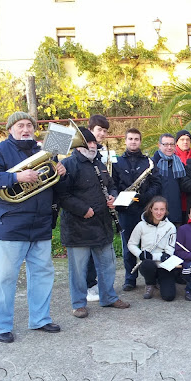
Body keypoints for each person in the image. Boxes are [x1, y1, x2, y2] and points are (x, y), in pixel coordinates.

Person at [0, 111, 64, 343]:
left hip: (41, 223)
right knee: (4, 277)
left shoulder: (43, 150)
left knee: (43, 274)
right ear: (10, 129)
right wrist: (15, 178)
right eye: (20, 125)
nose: (25, 129)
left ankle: (40, 319)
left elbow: (51, 180)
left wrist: (60, 171)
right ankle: (0, 326)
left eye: (29, 125)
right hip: (11, 224)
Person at [56, 127, 130, 318]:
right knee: (78, 270)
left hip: (102, 223)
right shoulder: (68, 164)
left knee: (107, 265)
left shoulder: (100, 164)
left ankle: (108, 297)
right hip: (78, 226)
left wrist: (113, 197)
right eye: (88, 143)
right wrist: (83, 210)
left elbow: (111, 186)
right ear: (79, 146)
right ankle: (78, 304)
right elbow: (61, 196)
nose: (93, 146)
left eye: (94, 143)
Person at [112, 128, 162, 291]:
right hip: (126, 210)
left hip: (144, 208)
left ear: (140, 141)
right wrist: (121, 197)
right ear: (125, 141)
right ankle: (130, 278)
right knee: (129, 245)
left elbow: (156, 184)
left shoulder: (148, 162)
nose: (133, 141)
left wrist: (145, 197)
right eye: (130, 139)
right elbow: (112, 184)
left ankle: (150, 279)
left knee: (148, 244)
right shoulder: (116, 162)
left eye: (136, 139)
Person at [127, 196, 178, 301]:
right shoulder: (141, 225)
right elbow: (131, 244)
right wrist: (140, 254)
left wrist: (153, 256)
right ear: (150, 209)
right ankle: (150, 283)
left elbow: (169, 252)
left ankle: (160, 280)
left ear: (166, 210)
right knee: (147, 264)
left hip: (163, 264)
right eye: (156, 209)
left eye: (162, 209)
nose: (159, 212)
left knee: (169, 296)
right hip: (148, 262)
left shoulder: (171, 227)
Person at [85, 114, 111, 302]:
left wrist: (112, 195)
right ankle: (88, 286)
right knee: (86, 252)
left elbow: (109, 181)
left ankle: (96, 285)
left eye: (104, 131)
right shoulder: (81, 150)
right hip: (86, 210)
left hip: (102, 210)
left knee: (100, 250)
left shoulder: (102, 153)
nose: (101, 134)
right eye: (99, 130)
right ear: (90, 129)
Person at [151, 133, 186, 228]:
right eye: (166, 144)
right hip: (157, 214)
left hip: (175, 213)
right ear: (159, 145)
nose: (169, 147)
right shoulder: (151, 164)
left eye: (172, 144)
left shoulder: (179, 164)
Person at [174, 129, 191, 222]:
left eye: (187, 139)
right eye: (182, 139)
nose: (185, 142)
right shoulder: (172, 157)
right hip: (176, 199)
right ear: (177, 142)